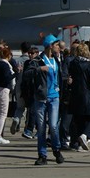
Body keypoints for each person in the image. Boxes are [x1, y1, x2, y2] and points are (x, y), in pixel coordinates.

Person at [34, 35, 65, 165]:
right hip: (41, 97)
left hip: (54, 97)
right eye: (57, 45)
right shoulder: (39, 59)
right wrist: (39, 68)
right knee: (41, 128)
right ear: (50, 46)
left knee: (53, 125)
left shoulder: (57, 60)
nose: (59, 47)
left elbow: (60, 75)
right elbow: (28, 72)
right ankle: (42, 155)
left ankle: (56, 149)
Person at [0, 45, 17, 145]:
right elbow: (7, 78)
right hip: (3, 90)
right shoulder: (5, 65)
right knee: (2, 114)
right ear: (8, 55)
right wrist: (16, 73)